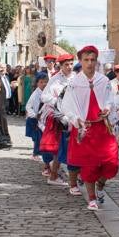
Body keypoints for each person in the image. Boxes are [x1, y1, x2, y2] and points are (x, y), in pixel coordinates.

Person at [61, 46, 119, 210]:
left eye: (92, 60)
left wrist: (107, 108)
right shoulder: (74, 82)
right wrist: (75, 119)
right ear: (80, 61)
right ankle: (91, 198)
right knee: (88, 165)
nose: (89, 63)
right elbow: (66, 105)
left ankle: (100, 186)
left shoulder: (104, 80)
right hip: (85, 129)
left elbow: (109, 99)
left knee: (111, 162)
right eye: (86, 60)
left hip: (102, 128)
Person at [41, 53, 79, 192]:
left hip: (76, 115)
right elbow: (45, 96)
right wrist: (57, 102)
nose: (69, 67)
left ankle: (61, 175)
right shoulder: (55, 79)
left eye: (70, 64)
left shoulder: (77, 78)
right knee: (61, 147)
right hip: (62, 117)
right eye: (66, 65)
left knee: (71, 146)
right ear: (61, 66)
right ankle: (56, 175)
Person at [26, 72, 49, 169]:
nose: (44, 84)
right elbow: (28, 107)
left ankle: (37, 153)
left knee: (40, 136)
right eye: (41, 82)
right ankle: (35, 154)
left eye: (45, 82)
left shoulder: (46, 93)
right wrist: (35, 115)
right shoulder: (35, 94)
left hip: (42, 120)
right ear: (37, 83)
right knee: (37, 137)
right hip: (35, 119)